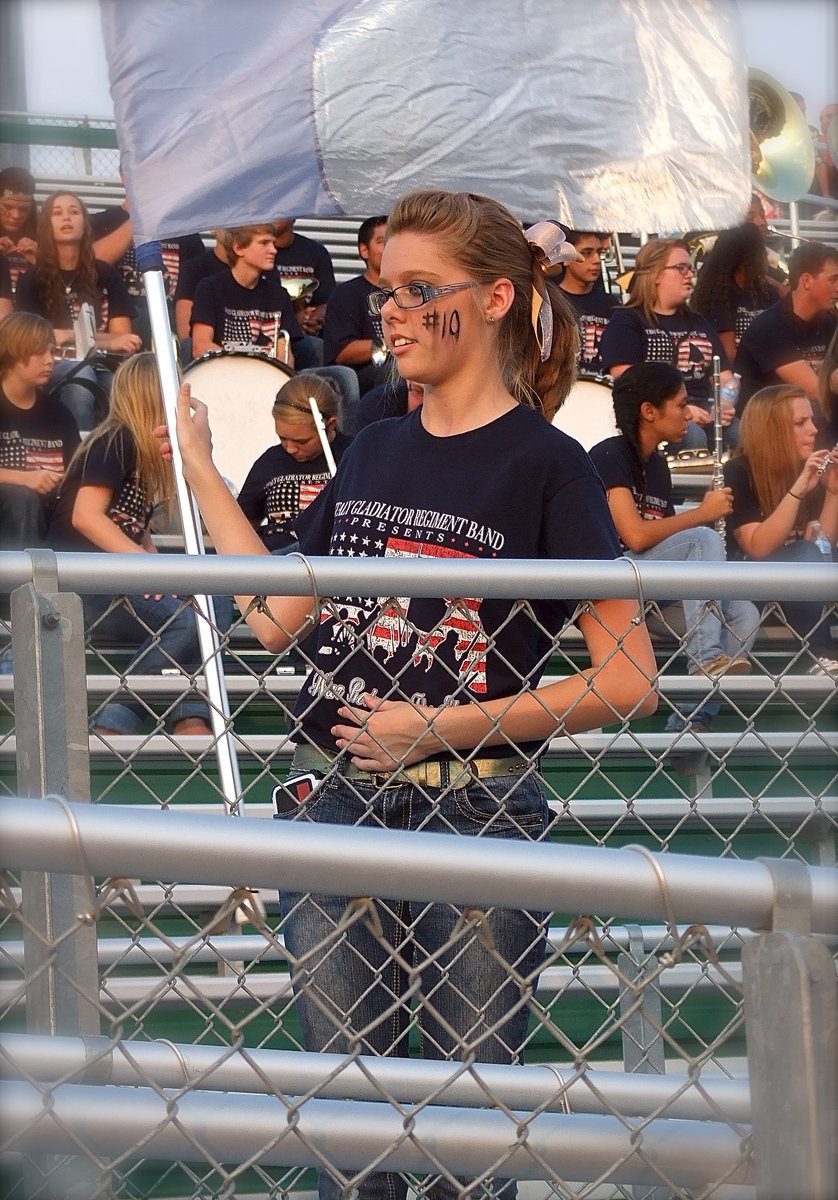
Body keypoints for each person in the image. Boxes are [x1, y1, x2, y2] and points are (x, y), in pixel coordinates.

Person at [162, 188, 657, 1200]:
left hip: (477, 810)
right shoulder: (376, 441)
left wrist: (441, 724)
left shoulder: (546, 465)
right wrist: (203, 472)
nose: (387, 310)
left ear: (495, 301)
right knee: (351, 1131)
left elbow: (629, 676)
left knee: (466, 1145)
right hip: (330, 799)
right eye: (385, 288)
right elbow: (275, 620)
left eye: (417, 290)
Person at [48, 352, 231, 736]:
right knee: (191, 619)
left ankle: (190, 713)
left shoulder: (145, 453)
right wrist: (151, 574)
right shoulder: (115, 439)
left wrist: (156, 566)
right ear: (153, 394)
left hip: (121, 578)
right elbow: (87, 516)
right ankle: (117, 718)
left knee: (212, 604)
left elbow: (135, 529)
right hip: (85, 583)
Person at [589, 363, 758, 733]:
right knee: (703, 538)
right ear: (649, 411)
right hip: (613, 590)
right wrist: (702, 514)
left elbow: (663, 540)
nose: (688, 415)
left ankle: (689, 720)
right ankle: (704, 658)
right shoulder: (609, 455)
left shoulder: (658, 464)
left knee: (744, 613)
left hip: (650, 596)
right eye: (680, 405)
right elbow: (634, 536)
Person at [724, 384, 838, 677]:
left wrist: (834, 492)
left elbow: (821, 545)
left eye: (812, 420)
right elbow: (756, 546)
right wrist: (799, 490)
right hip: (747, 583)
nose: (813, 430)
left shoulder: (806, 469)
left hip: (799, 586)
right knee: (802, 551)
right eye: (801, 423)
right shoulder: (739, 471)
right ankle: (819, 653)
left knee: (813, 552)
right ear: (772, 429)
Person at [599, 238, 738, 454]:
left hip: (706, 410)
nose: (690, 275)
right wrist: (682, 410)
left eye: (690, 269)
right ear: (656, 274)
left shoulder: (699, 322)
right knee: (693, 436)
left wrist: (724, 405)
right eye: (681, 268)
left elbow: (727, 377)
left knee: (745, 433)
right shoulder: (629, 320)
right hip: (657, 413)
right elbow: (626, 377)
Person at [14, 191, 140, 430]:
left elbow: (125, 339)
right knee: (81, 380)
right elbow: (29, 341)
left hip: (103, 364)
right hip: (53, 365)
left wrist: (64, 335)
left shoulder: (105, 274)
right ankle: (76, 459)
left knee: (125, 388)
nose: (67, 218)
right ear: (46, 225)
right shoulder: (31, 279)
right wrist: (102, 340)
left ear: (85, 222)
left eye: (74, 212)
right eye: (57, 213)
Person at [237, 374, 352, 553]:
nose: (290, 449)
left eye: (302, 441)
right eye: (283, 438)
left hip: (330, 561)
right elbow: (242, 525)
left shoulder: (352, 455)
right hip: (279, 566)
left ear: (330, 425)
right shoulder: (270, 462)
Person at [90, 178, 205, 346]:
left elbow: (195, 287)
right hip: (119, 316)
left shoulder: (183, 229)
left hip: (168, 314)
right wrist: (141, 217)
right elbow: (92, 264)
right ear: (123, 175)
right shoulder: (101, 222)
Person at [0, 312, 80, 552]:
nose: (50, 361)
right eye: (39, 352)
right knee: (21, 499)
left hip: (48, 523)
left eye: (51, 351)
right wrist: (26, 478)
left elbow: (76, 476)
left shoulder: (59, 413)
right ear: (13, 353)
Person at [734, 243, 838, 418]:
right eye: (833, 280)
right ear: (806, 281)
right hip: (766, 422)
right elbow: (814, 391)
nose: (837, 287)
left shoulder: (829, 322)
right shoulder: (769, 327)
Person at [190, 224, 303, 364]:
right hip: (223, 374)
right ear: (238, 248)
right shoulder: (210, 288)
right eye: (264, 243)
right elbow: (200, 347)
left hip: (267, 377)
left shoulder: (278, 295)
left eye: (273, 243)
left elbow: (285, 357)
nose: (273, 250)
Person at [689, 223, 783, 363]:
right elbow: (728, 353)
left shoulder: (765, 289)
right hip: (744, 374)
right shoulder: (719, 293)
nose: (764, 254)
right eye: (760, 249)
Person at [322, 215, 390, 395]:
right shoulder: (347, 293)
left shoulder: (412, 292)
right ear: (364, 250)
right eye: (383, 241)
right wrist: (390, 344)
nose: (391, 248)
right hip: (369, 372)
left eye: (395, 241)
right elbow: (342, 352)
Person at [558, 227, 618, 379]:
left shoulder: (611, 305)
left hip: (600, 390)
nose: (596, 260)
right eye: (586, 253)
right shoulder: (550, 301)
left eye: (599, 252)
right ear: (566, 257)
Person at [272, 219, 336, 338]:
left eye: (280, 211)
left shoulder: (316, 252)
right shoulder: (253, 252)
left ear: (293, 216)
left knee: (317, 348)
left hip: (303, 335)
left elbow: (326, 300)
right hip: (266, 330)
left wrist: (314, 318)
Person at [173, 230, 230, 344]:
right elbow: (186, 335)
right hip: (209, 356)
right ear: (215, 229)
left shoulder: (266, 271)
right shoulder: (194, 268)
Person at [0, 166, 38, 294]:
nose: (16, 216)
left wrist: (43, 259)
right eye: (7, 207)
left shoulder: (45, 233)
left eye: (23, 209)